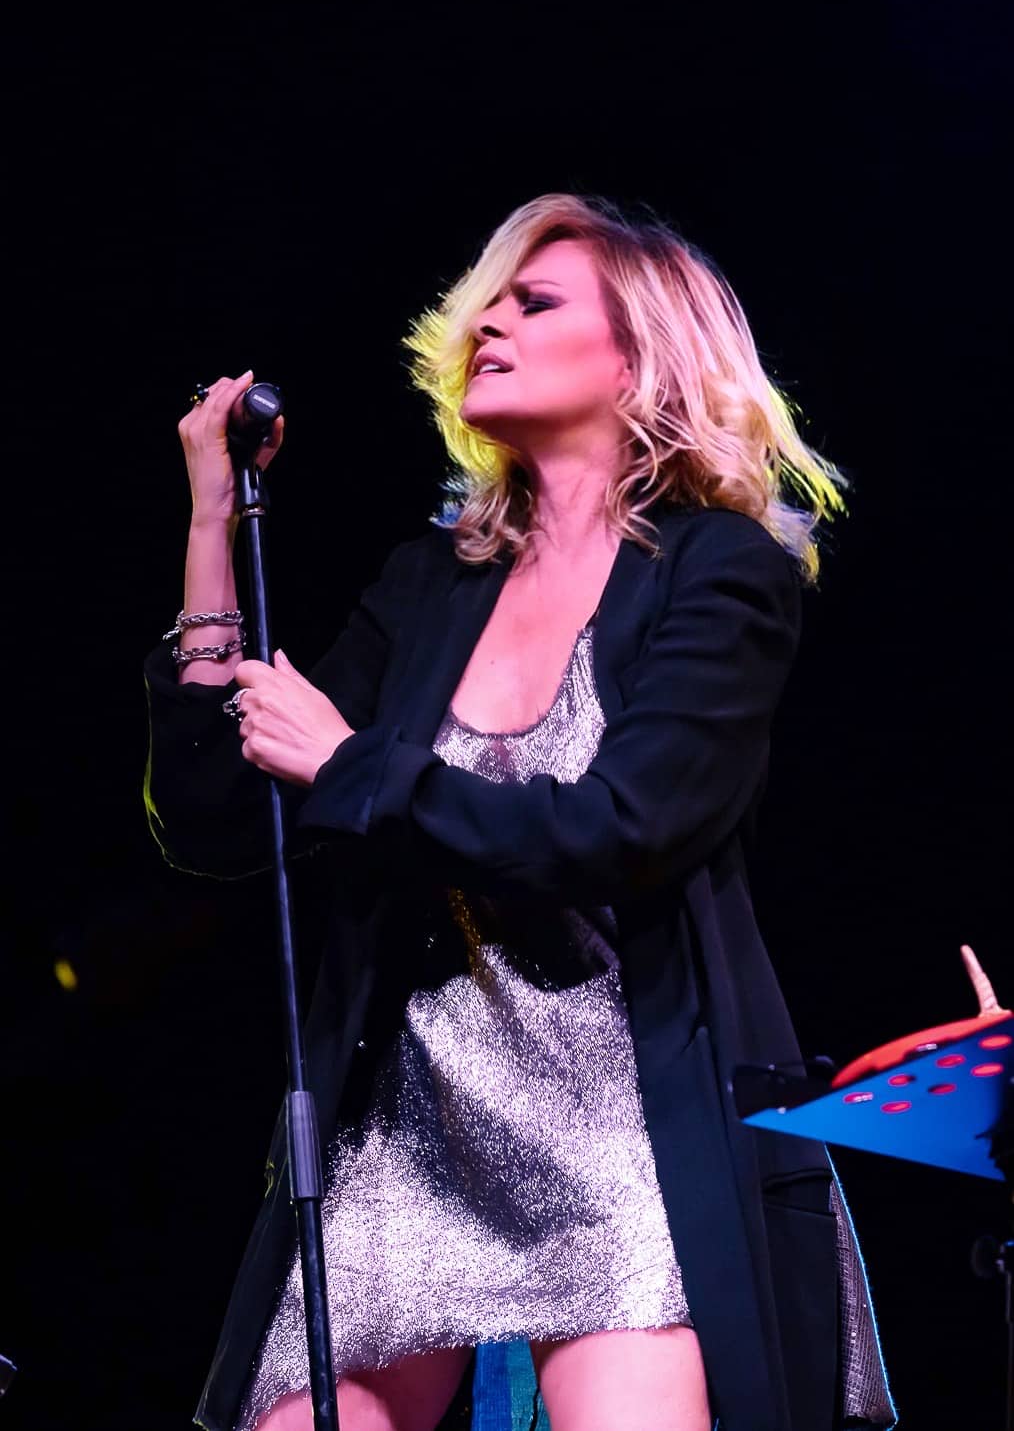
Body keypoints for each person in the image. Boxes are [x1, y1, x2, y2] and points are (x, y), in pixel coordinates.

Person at [144, 193, 897, 1431]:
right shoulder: (431, 586)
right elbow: (223, 821)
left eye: (533, 302)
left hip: (625, 1132)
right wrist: (214, 521)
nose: (486, 323)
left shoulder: (719, 571)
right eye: (484, 305)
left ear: (639, 359)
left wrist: (351, 767)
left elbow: (620, 831)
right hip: (408, 1132)